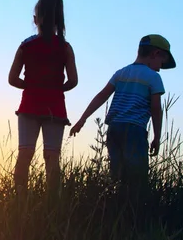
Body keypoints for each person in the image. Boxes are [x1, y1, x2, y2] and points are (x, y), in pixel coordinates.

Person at [69, 34, 176, 219]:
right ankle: (135, 217)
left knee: (118, 177)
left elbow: (101, 96)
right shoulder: (153, 77)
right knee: (137, 178)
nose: (160, 68)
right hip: (134, 130)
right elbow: (156, 109)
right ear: (155, 54)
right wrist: (157, 137)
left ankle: (116, 212)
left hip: (114, 129)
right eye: (162, 62)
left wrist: (82, 119)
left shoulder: (121, 73)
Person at [8, 0, 78, 199]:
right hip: (55, 107)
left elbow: (12, 79)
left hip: (29, 105)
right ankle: (52, 203)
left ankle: (20, 200)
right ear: (59, 19)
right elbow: (73, 81)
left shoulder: (26, 46)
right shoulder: (65, 48)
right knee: (52, 157)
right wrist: (55, 89)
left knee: (25, 154)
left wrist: (31, 86)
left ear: (35, 19)